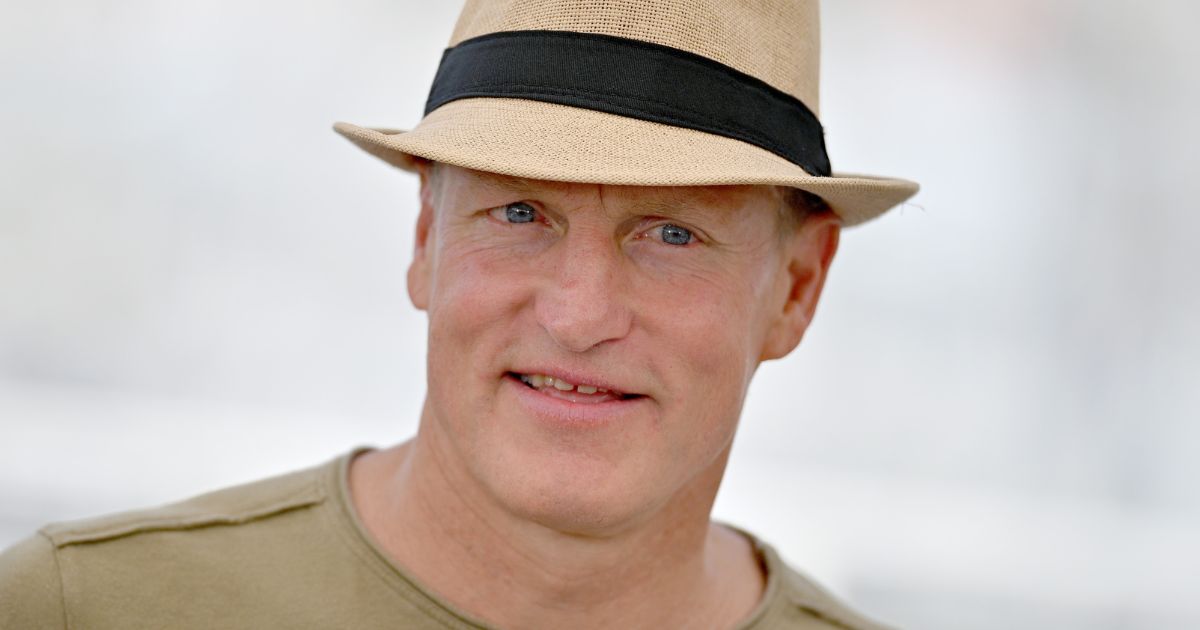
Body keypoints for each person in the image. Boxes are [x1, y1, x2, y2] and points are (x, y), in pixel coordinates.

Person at [0, 1, 918, 628]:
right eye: (519, 214)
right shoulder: (81, 609)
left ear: (797, 290)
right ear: (425, 238)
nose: (578, 313)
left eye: (671, 233)